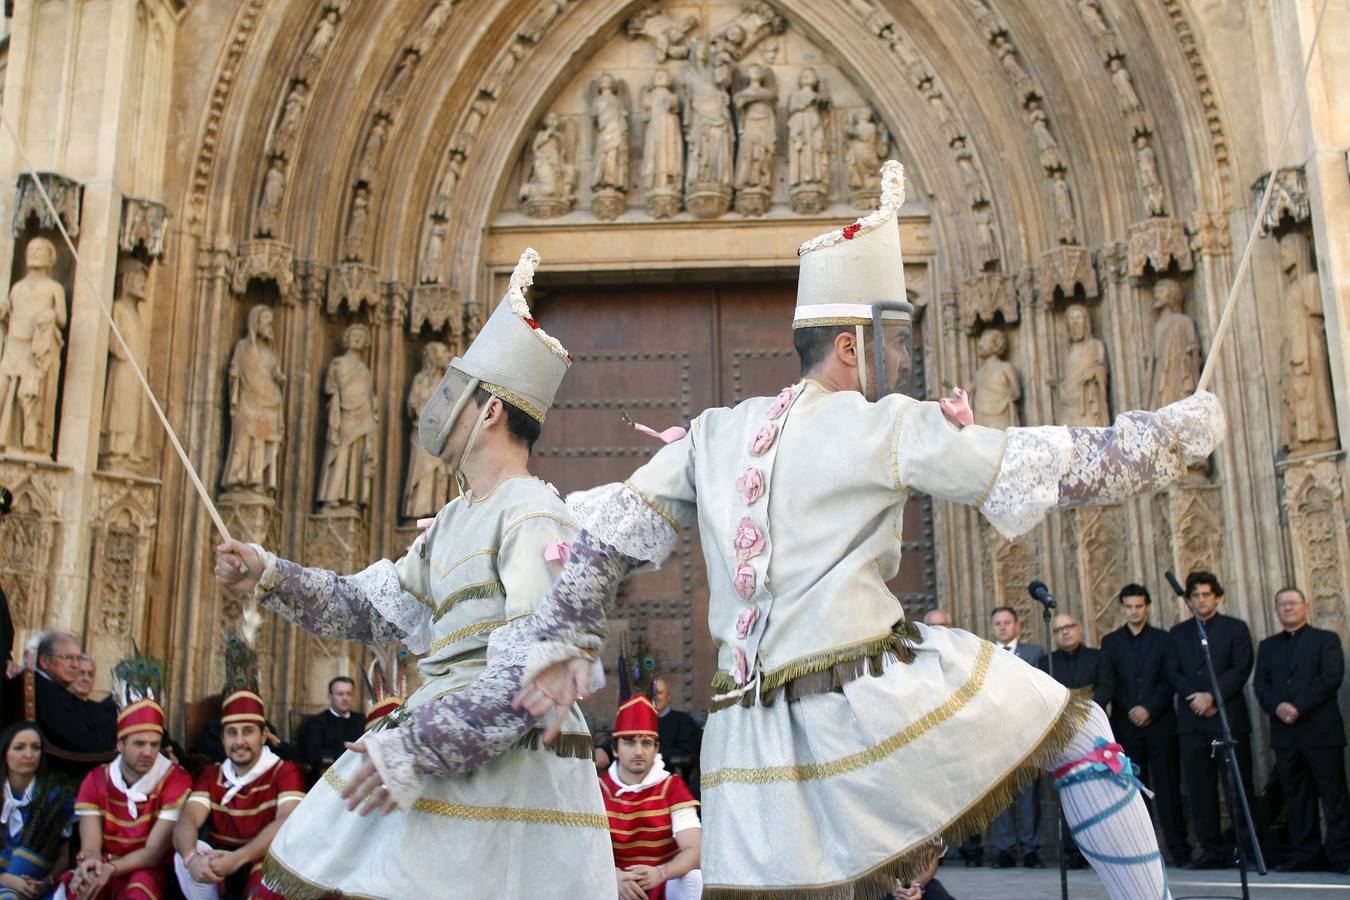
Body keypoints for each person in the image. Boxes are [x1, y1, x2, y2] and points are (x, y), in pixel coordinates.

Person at [398, 161, 1224, 899]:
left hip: (749, 741)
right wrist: (1171, 437)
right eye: (889, 342)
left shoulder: (716, 432)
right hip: (865, 704)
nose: (899, 361)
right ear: (849, 346)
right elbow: (1038, 462)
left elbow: (608, 526)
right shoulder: (884, 426)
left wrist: (515, 554)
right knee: (1081, 731)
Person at [213, 249, 616, 899]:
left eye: (454, 391)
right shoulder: (455, 519)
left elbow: (537, 671)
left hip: (503, 773)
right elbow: (369, 609)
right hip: (437, 743)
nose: (436, 401)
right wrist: (268, 572)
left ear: (489, 412)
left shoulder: (535, 516)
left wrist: (416, 747)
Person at [173, 690, 306, 899]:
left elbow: (286, 821)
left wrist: (239, 858)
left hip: (264, 860)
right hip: (221, 865)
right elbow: (188, 819)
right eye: (232, 733)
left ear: (263, 736)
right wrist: (191, 858)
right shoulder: (212, 773)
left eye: (248, 731)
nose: (239, 741)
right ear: (223, 739)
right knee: (187, 853)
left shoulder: (285, 771)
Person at [56, 698, 192, 899]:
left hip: (152, 869)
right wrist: (90, 863)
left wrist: (111, 868)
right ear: (120, 744)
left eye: (154, 744)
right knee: (78, 886)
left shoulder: (175, 780)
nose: (148, 752)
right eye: (139, 743)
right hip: (107, 864)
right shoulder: (96, 780)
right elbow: (91, 846)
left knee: (139, 888)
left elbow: (153, 852)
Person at [1254, 586, 1350, 872]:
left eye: (1293, 603)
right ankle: (1305, 854)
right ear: (1276, 610)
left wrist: (1297, 707)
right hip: (1286, 736)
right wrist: (1278, 707)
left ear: (1306, 607)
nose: (1287, 608)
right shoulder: (1267, 646)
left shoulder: (1326, 640)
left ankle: (1341, 854)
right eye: (1282, 604)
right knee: (1297, 798)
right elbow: (1261, 685)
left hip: (1321, 732)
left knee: (1334, 796)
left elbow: (1330, 677)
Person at [1166, 569, 1255, 869]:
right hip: (1192, 722)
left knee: (1237, 785)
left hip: (1226, 717)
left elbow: (1241, 669)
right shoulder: (1178, 633)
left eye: (1206, 594)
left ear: (1216, 596)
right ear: (1188, 600)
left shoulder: (1235, 628)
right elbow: (1172, 671)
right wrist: (1196, 697)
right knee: (1200, 788)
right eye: (1195, 595)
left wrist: (1213, 697)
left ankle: (1244, 849)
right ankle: (1211, 851)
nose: (1201, 600)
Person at [1099, 584, 1188, 866]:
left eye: (1139, 606)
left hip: (1160, 724)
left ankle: (1178, 849)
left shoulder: (1165, 639)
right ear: (1122, 608)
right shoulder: (1111, 642)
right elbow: (1110, 682)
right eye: (1129, 607)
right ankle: (1142, 851)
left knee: (1169, 788)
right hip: (1126, 727)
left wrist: (1149, 708)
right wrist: (1132, 708)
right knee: (1134, 791)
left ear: (1147, 607)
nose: (1134, 611)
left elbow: (1170, 678)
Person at [601, 695, 702, 900]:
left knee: (693, 878)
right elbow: (579, 850)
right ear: (615, 749)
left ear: (656, 748)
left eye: (646, 743)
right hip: (611, 886)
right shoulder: (596, 789)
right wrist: (610, 877)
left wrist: (661, 873)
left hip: (661, 883)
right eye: (629, 742)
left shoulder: (672, 787)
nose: (639, 751)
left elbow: (695, 850)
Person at [1037, 612, 1105, 869]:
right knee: (1069, 795)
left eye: (1069, 626)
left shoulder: (1097, 657)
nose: (1065, 632)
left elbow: (1106, 687)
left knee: (1097, 793)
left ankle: (1098, 849)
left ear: (1079, 628)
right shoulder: (1046, 662)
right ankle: (1072, 852)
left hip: (1094, 735)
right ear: (1053, 635)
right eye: (1059, 629)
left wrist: (1086, 716)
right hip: (1062, 736)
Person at [988, 607, 1045, 869]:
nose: (1002, 627)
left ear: (1017, 625)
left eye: (1007, 622)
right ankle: (1005, 850)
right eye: (998, 623)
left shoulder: (1034, 653)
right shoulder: (983, 653)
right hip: (995, 734)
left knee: (1028, 795)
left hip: (1026, 731)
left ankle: (1031, 849)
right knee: (1000, 795)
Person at [0, 721, 75, 899]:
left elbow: (64, 857)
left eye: (36, 747)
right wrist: (6, 879)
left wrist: (46, 882)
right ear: (5, 753)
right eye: (19, 748)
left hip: (39, 884)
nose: (29, 754)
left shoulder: (56, 797)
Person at [30, 634, 116, 780]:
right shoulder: (45, 691)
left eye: (78, 658)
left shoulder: (56, 689)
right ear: (44, 661)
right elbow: (80, 742)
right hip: (66, 772)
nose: (75, 665)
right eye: (67, 657)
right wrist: (117, 750)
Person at [299, 677, 364, 779]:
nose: (345, 698)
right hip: (328, 775)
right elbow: (313, 753)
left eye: (349, 694)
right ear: (330, 697)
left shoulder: (362, 720)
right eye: (340, 694)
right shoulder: (317, 722)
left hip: (359, 773)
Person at [651, 677, 701, 779]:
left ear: (668, 696)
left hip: (671, 777)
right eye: (652, 694)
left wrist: (655, 757)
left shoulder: (683, 720)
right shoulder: (640, 722)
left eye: (659, 693)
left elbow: (687, 750)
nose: (655, 697)